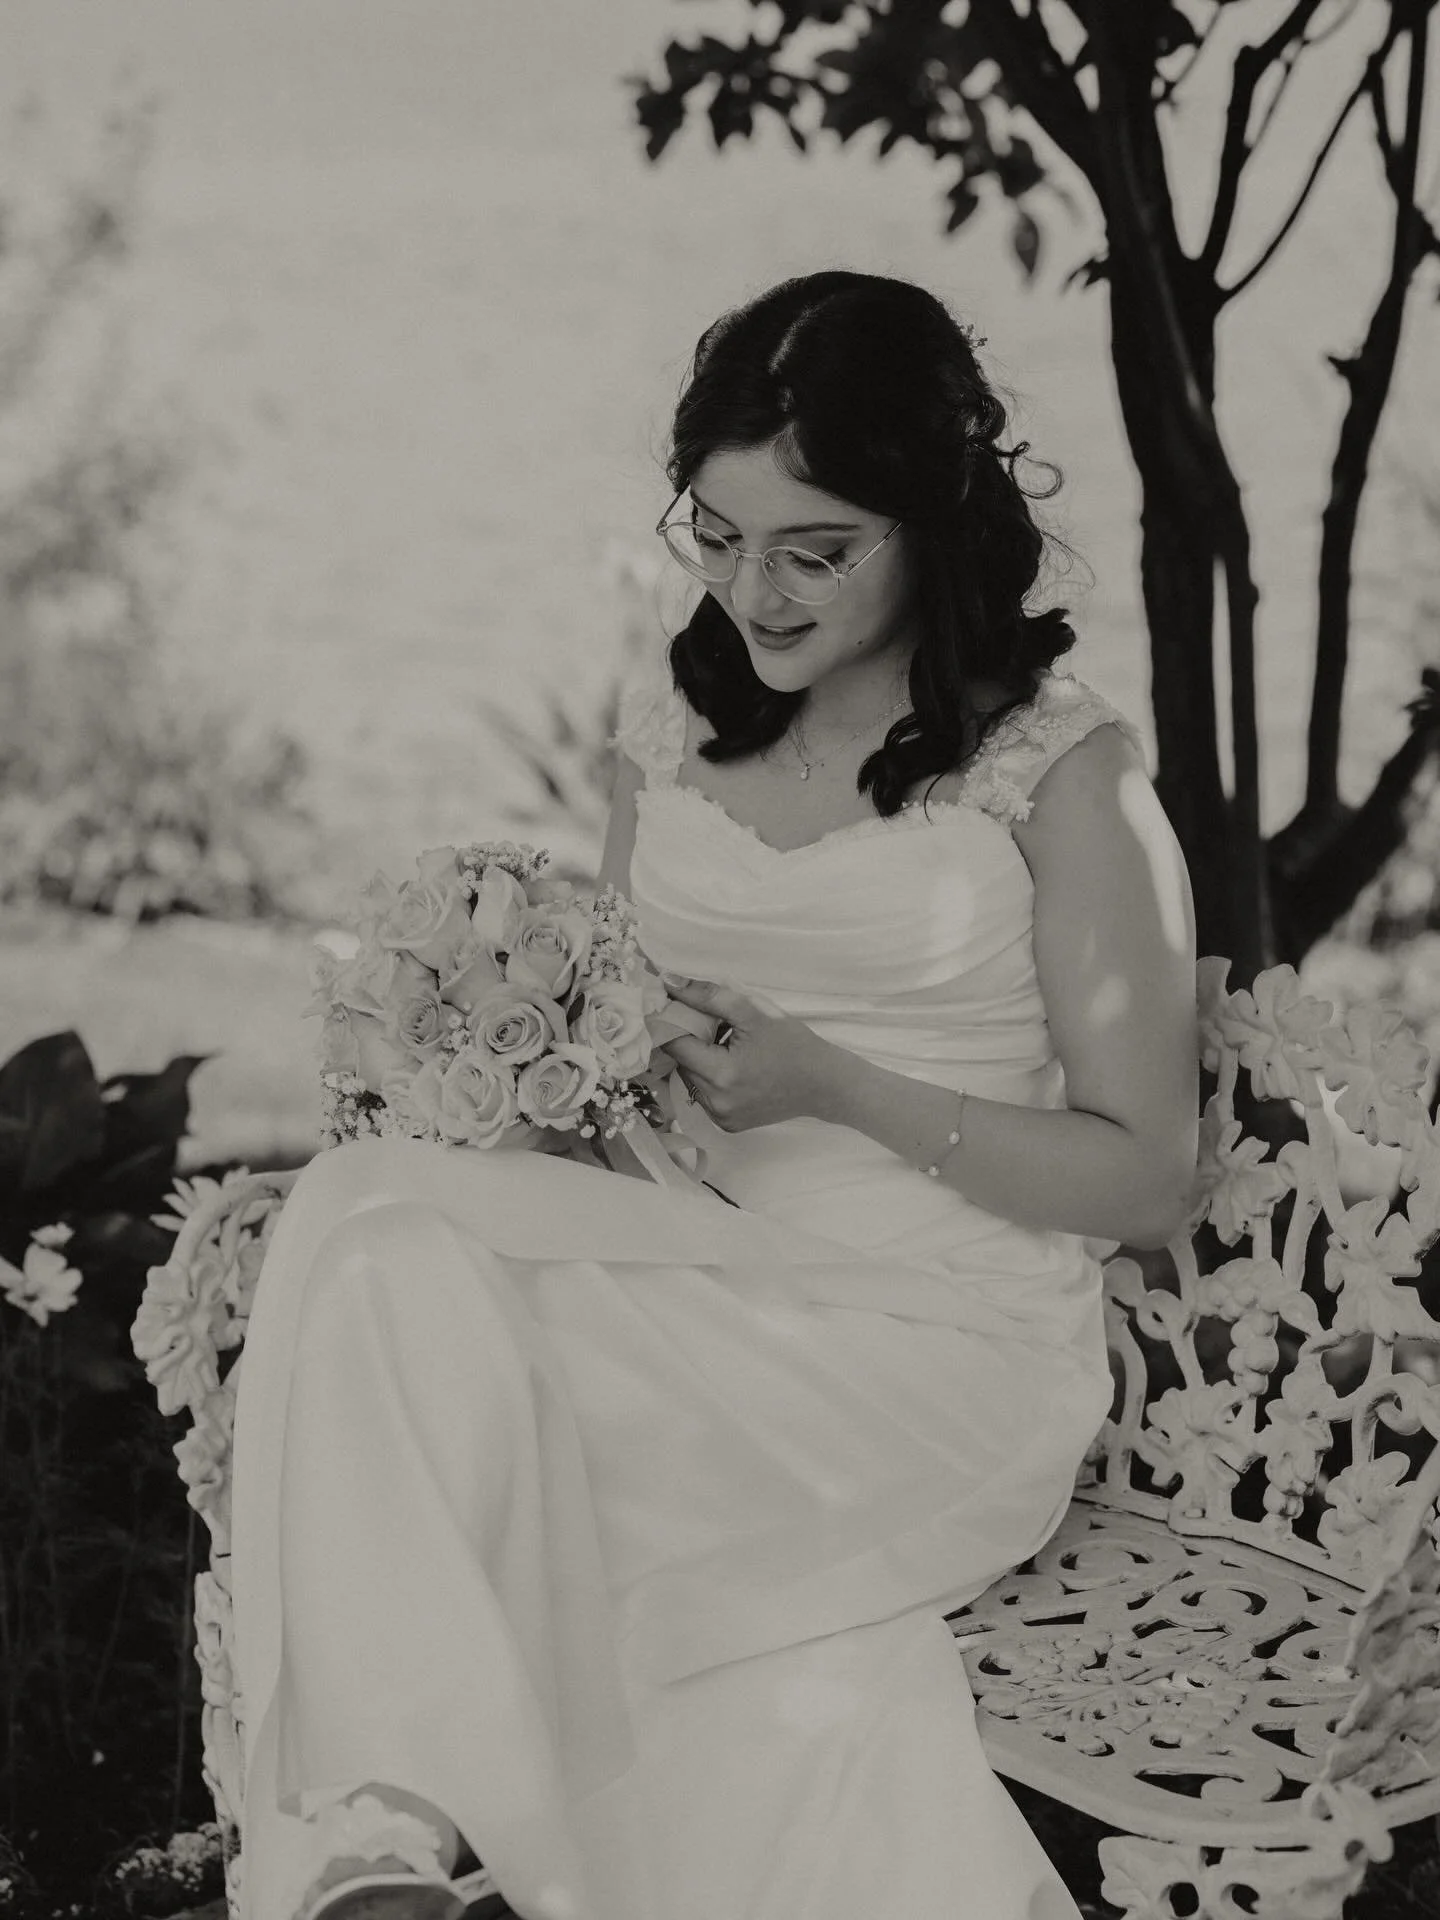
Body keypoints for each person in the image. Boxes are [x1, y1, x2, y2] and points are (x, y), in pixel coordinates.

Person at [230, 269, 1198, 1920]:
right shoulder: (673, 724)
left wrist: (834, 1085)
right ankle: (387, 1843)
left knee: (476, 1433)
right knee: (371, 1231)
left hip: (932, 1344)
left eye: (814, 548)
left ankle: (408, 1839)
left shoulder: (1058, 770)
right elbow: (611, 1030)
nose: (755, 589)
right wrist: (501, 1056)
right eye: (720, 534)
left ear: (933, 512)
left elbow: (1146, 1181)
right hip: (683, 1268)